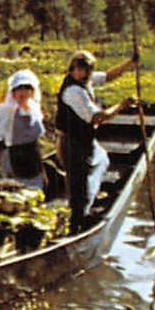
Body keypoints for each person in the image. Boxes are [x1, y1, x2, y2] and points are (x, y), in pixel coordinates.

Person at [56, 49, 137, 233]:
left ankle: (85, 208)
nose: (86, 74)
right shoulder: (73, 91)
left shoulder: (85, 80)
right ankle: (76, 228)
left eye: (89, 71)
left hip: (85, 141)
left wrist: (130, 62)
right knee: (79, 192)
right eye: (82, 70)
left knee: (102, 159)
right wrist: (122, 106)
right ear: (73, 69)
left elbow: (108, 76)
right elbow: (98, 118)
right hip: (72, 144)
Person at [0, 69, 48, 189]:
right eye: (19, 89)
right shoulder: (5, 110)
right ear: (12, 92)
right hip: (13, 160)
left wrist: (43, 171)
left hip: (33, 161)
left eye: (26, 88)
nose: (22, 93)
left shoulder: (34, 110)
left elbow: (37, 143)